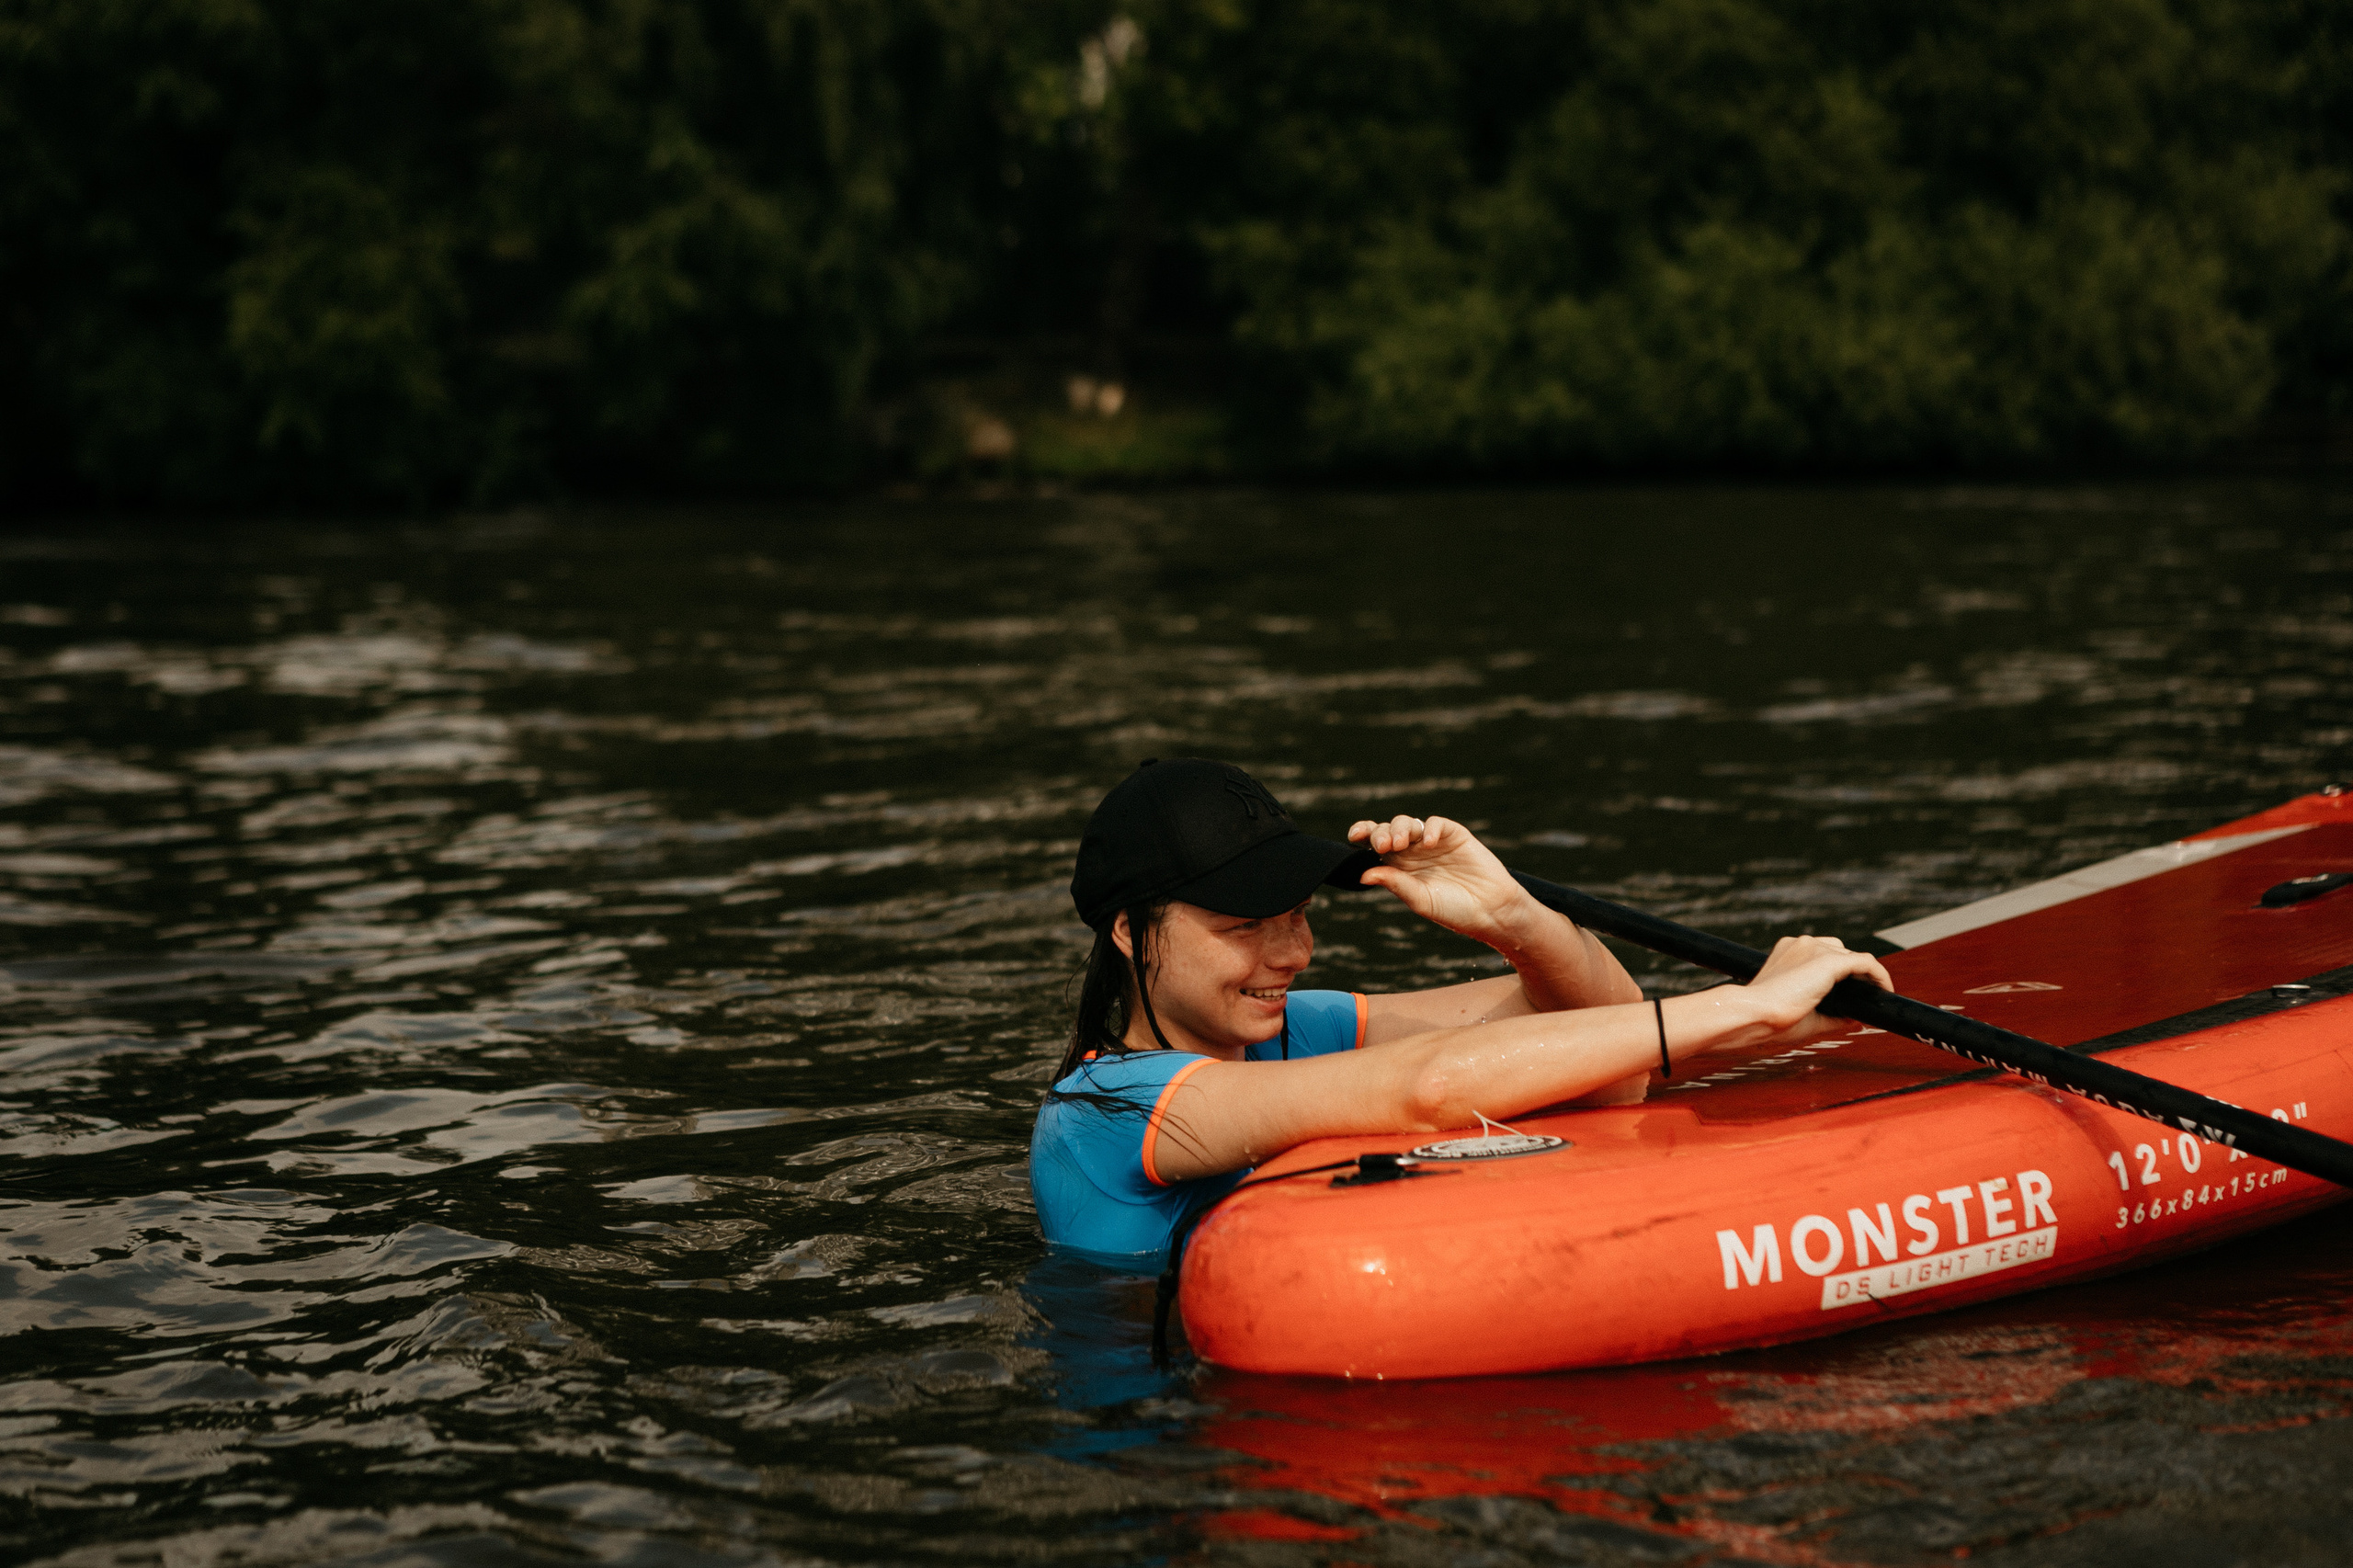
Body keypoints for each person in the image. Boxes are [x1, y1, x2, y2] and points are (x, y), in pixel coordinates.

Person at [1029, 758, 1892, 1269]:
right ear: (1129, 933)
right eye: (1244, 926)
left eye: (1297, 913)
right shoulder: (1105, 1110)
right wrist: (1748, 1007)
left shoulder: (1294, 1030)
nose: (1293, 953)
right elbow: (1431, 1089)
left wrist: (1512, 917)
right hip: (1172, 1454)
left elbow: (1592, 1032)